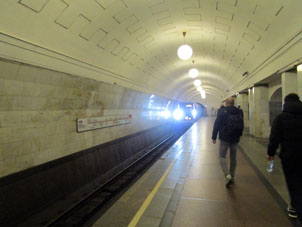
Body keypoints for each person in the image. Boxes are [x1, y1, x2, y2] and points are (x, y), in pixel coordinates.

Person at [267, 93, 302, 224]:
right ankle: (294, 207)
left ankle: (296, 209)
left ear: (285, 102)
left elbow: (274, 137)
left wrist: (271, 153)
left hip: (289, 157)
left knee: (294, 184)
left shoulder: (281, 118)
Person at [212, 97, 244, 187]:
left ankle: (227, 175)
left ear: (226, 103)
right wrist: (239, 135)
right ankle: (232, 177)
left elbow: (217, 124)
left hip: (224, 138)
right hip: (235, 138)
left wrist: (214, 136)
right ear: (233, 103)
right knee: (233, 157)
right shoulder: (239, 111)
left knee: (222, 156)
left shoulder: (222, 111)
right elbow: (242, 124)